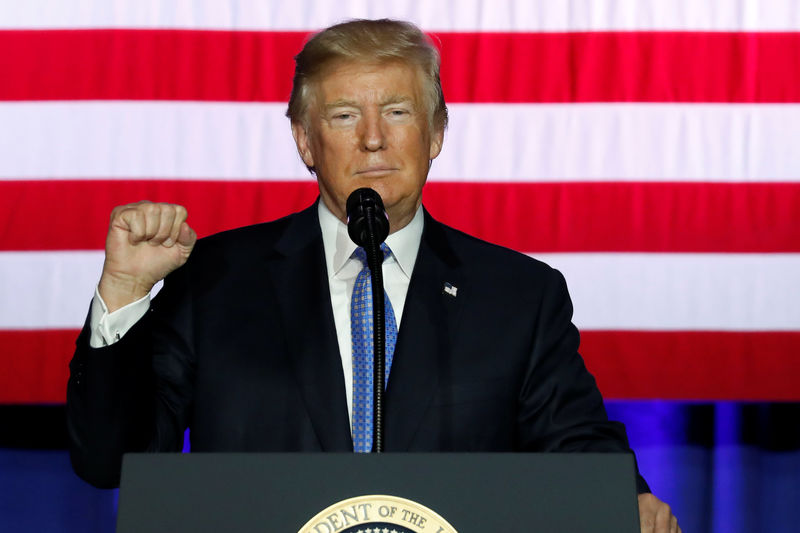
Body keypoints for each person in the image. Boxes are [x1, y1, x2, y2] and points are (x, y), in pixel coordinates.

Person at [67, 19, 680, 533]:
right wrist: (123, 294)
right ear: (305, 141)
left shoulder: (518, 295)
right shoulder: (217, 280)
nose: (372, 140)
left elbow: (576, 444)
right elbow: (109, 462)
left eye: (396, 111)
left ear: (435, 132)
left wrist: (625, 500)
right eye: (341, 116)